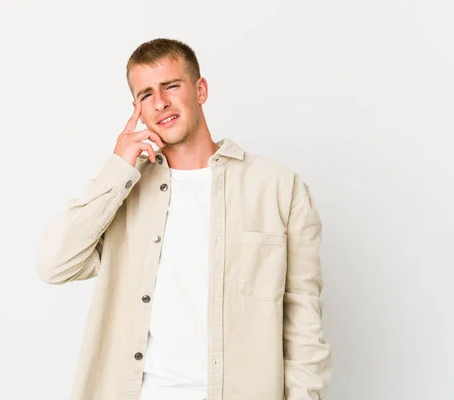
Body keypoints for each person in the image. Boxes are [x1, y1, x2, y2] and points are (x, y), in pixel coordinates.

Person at [36, 38, 332, 400]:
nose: (160, 102)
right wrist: (117, 168)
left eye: (171, 86)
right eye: (146, 94)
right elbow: (54, 265)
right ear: (136, 109)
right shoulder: (123, 192)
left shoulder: (278, 188)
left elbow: (303, 321)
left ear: (200, 89)